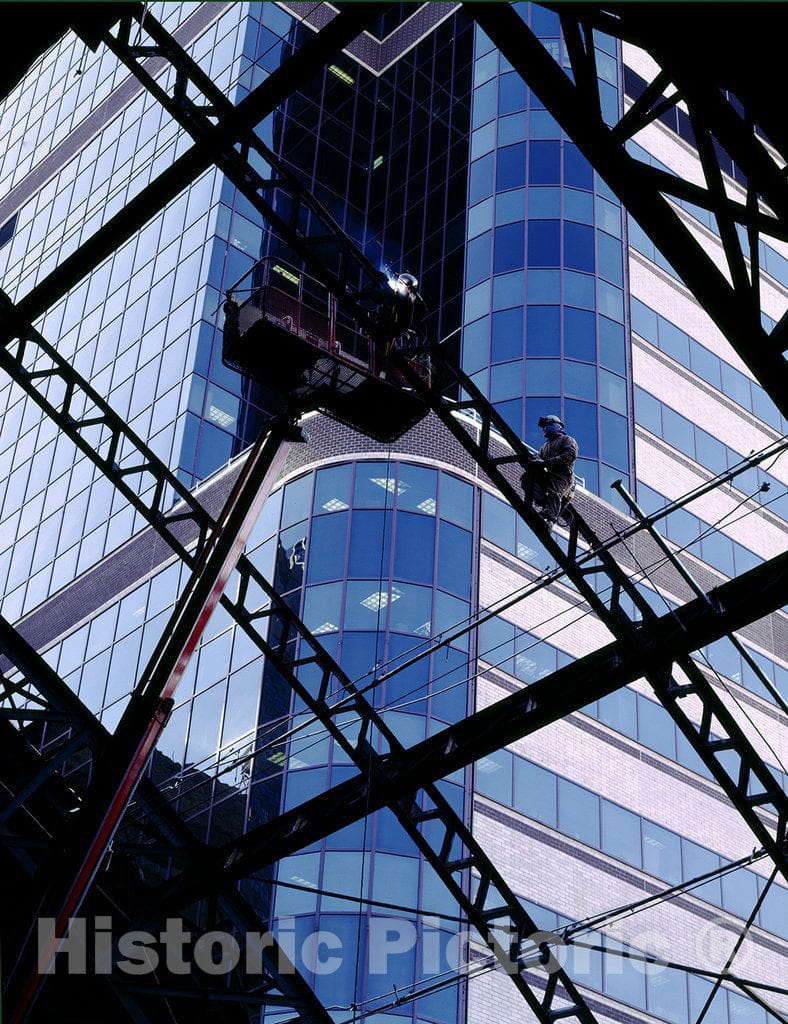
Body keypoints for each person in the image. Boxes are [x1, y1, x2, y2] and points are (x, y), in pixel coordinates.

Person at [523, 415, 578, 528]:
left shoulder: (567, 440)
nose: (544, 429)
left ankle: (550, 519)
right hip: (548, 474)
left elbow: (570, 455)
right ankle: (543, 503)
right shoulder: (545, 447)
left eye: (546, 426)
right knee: (528, 479)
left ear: (556, 425)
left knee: (554, 491)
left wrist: (546, 462)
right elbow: (539, 461)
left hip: (562, 476)